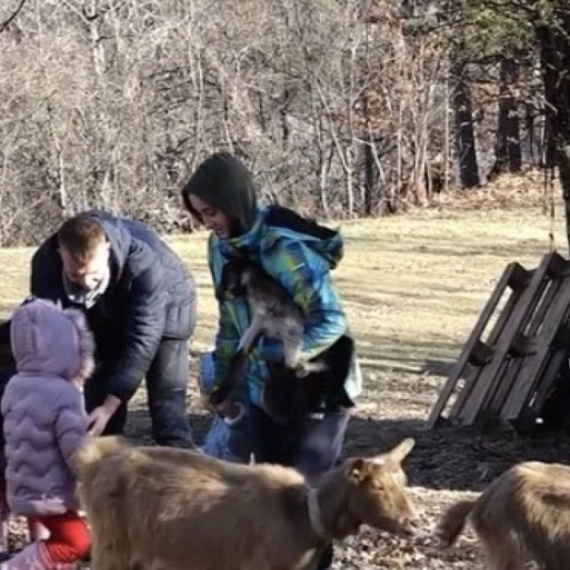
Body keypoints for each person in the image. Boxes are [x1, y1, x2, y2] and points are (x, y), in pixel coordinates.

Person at [181, 152, 362, 570]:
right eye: (200, 214)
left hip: (319, 388)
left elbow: (331, 321)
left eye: (212, 212)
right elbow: (230, 322)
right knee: (269, 499)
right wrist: (223, 380)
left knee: (306, 502)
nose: (208, 223)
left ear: (234, 202)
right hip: (268, 392)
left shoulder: (284, 248)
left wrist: (279, 356)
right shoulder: (220, 249)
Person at [28, 209, 197, 448]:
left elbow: (142, 342)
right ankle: (112, 481)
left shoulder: (143, 264)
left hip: (170, 305)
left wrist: (110, 405)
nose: (86, 285)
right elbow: (51, 331)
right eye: (76, 277)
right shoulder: (45, 265)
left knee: (167, 414)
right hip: (104, 316)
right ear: (60, 254)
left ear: (106, 250)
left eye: (94, 277)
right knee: (97, 420)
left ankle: (185, 474)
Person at [0, 297, 92, 569]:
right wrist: (93, 473)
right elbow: (76, 449)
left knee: (58, 539)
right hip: (50, 491)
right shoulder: (63, 393)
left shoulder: (16, 384)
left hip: (24, 483)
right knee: (77, 542)